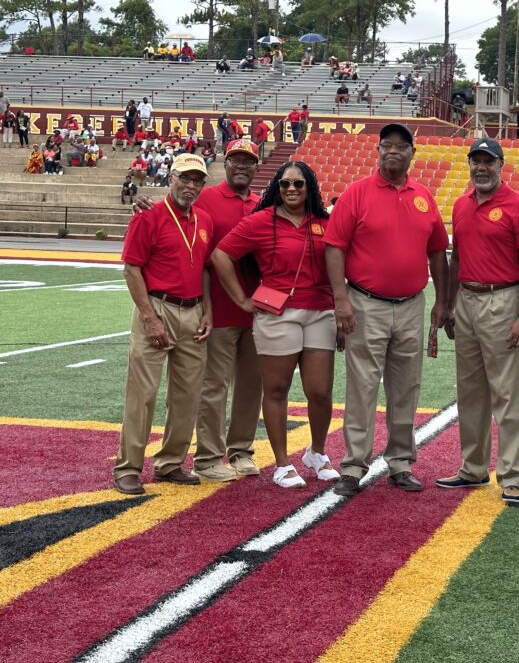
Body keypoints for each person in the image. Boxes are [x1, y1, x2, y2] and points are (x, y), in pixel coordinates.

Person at [324, 123, 450, 496]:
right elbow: (334, 247)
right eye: (386, 145)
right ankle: (353, 466)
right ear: (378, 151)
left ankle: (400, 463)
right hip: (365, 304)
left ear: (412, 153)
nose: (393, 150)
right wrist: (341, 300)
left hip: (411, 304)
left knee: (406, 387)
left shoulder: (423, 195)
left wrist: (443, 300)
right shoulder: (356, 193)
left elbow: (437, 252)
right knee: (362, 386)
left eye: (401, 145)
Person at [211, 160, 340, 489]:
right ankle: (282, 464)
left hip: (320, 311)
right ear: (277, 188)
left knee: (320, 392)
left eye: (298, 183)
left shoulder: (325, 222)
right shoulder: (261, 221)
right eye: (285, 184)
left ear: (309, 187)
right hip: (277, 313)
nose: (291, 189)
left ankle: (317, 452)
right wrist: (242, 300)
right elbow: (221, 255)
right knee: (277, 389)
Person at [437, 137, 519, 505]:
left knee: (506, 393)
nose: (481, 168)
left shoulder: (518, 207)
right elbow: (456, 259)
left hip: (504, 298)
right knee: (470, 391)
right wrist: (450, 304)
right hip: (467, 299)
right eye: (476, 161)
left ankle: (511, 475)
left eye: (488, 161)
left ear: (501, 165)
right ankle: (473, 467)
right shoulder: (462, 204)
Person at [113, 154, 214, 495]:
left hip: (193, 310)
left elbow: (204, 269)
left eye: (197, 180)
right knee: (142, 394)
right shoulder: (148, 215)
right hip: (157, 308)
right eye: (184, 178)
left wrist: (207, 311)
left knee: (187, 395)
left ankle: (170, 462)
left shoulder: (204, 220)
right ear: (170, 178)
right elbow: (131, 269)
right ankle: (128, 467)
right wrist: (149, 317)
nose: (190, 185)